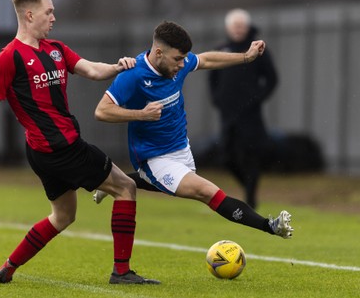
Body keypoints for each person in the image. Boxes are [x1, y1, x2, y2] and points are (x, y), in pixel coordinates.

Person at [0, 0, 160, 285]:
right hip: (62, 148)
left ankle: (7, 269)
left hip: (43, 151)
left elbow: (91, 70)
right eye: (48, 12)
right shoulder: (7, 58)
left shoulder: (56, 50)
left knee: (63, 216)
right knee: (126, 188)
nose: (54, 17)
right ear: (29, 15)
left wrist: (118, 66)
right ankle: (121, 272)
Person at [93, 21, 293, 241]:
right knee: (207, 192)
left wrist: (246, 57)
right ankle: (271, 226)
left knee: (164, 185)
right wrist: (141, 114)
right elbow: (102, 111)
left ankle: (114, 183)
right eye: (178, 59)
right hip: (154, 157)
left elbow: (206, 59)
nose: (182, 64)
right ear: (158, 52)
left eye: (184, 59)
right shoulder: (133, 75)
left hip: (181, 148)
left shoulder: (177, 63)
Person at [208, 9, 278, 209]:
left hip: (250, 115)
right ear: (228, 28)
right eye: (234, 26)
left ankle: (251, 197)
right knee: (226, 157)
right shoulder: (222, 49)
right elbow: (212, 77)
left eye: (241, 26)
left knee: (251, 156)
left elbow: (272, 79)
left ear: (247, 27)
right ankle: (248, 187)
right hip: (227, 114)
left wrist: (256, 99)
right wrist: (217, 99)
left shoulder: (258, 49)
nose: (238, 29)